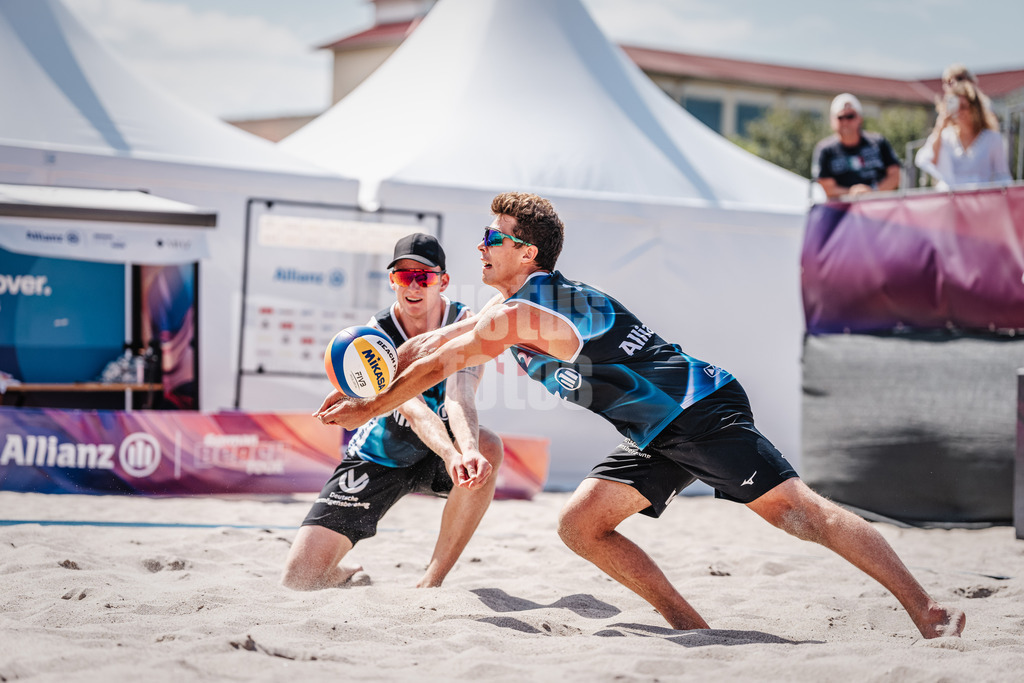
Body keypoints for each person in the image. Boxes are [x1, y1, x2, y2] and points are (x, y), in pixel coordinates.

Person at [316, 192, 966, 639]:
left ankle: (924, 606)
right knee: (580, 524)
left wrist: (371, 402)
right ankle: (692, 627)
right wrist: (378, 361)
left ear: (528, 254)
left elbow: (441, 361)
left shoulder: (531, 310)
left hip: (699, 411)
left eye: (495, 238)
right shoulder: (504, 308)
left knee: (802, 515)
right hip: (654, 431)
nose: (481, 245)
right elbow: (427, 347)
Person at [282, 233, 504, 590]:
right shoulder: (372, 338)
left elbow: (459, 396)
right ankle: (347, 574)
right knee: (298, 580)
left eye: (424, 277)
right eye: (404, 276)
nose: (413, 286)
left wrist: (465, 451)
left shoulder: (465, 323)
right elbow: (413, 409)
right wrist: (449, 453)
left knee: (488, 447)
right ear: (392, 281)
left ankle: (430, 583)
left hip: (438, 449)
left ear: (443, 281)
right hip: (382, 454)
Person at [914, 77, 1011, 190]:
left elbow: (1002, 176)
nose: (959, 112)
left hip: (981, 202)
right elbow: (931, 160)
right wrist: (940, 125)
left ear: (975, 109)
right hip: (950, 201)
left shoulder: (993, 138)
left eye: (964, 107)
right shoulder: (945, 136)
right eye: (956, 106)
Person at [813, 93, 901, 199]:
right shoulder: (825, 149)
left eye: (850, 116)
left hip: (878, 208)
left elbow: (895, 176)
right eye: (840, 117)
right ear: (832, 120)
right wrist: (852, 193)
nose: (845, 121)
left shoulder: (878, 142)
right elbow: (826, 187)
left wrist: (872, 191)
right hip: (843, 213)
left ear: (860, 118)